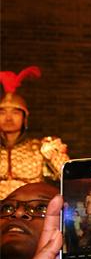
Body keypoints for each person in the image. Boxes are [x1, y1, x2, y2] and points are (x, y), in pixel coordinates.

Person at [0, 66, 68, 199]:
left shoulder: (40, 148)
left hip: (29, 208)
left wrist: (52, 155)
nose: (8, 118)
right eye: (2, 113)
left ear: (24, 118)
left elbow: (70, 176)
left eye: (15, 113)